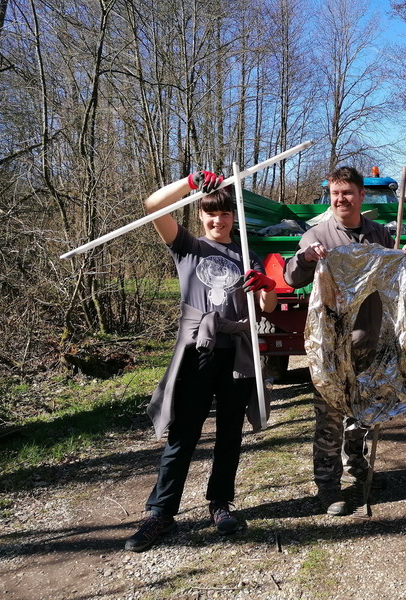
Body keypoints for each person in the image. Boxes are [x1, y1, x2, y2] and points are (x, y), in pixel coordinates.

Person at [125, 170, 278, 551]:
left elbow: (266, 307)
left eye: (224, 213)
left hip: (238, 353)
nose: (217, 220)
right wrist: (190, 183)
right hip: (198, 349)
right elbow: (152, 206)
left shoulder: (247, 255)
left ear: (232, 217)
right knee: (185, 431)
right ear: (200, 216)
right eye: (210, 213)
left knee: (230, 432)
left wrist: (268, 287)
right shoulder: (186, 247)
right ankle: (160, 513)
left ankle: (220, 503)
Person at [283, 165, 406, 516]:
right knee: (328, 419)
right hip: (331, 350)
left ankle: (359, 469)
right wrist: (305, 258)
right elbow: (292, 277)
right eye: (336, 194)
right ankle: (328, 487)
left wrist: (404, 258)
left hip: (368, 346)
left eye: (348, 193)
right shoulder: (318, 236)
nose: (341, 199)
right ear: (331, 196)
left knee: (363, 414)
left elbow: (392, 280)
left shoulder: (379, 235)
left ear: (360, 196)